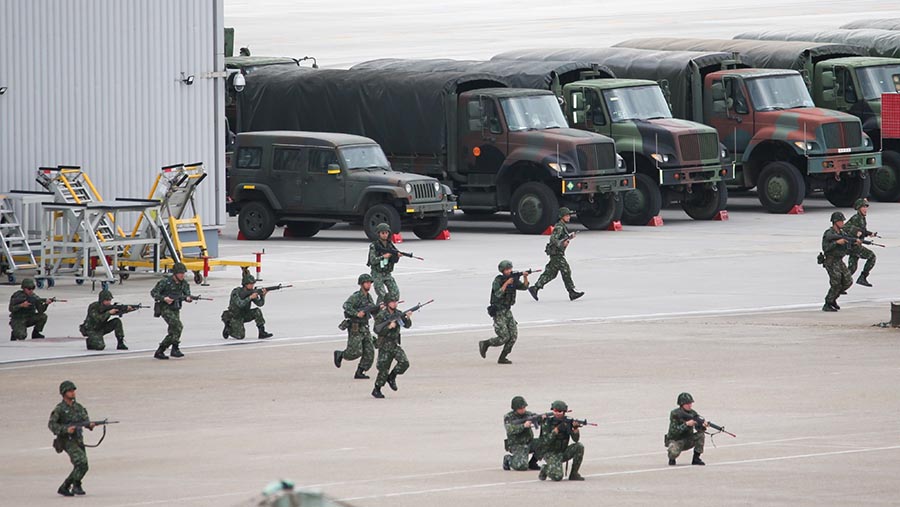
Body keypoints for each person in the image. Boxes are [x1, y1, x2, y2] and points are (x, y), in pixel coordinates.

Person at [48, 380, 93, 496]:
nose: (73, 393)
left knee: (84, 465)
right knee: (81, 462)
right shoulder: (59, 409)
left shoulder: (78, 407)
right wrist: (65, 430)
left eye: (73, 390)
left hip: (78, 439)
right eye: (70, 391)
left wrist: (90, 425)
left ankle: (74, 485)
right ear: (64, 393)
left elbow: (85, 420)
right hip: (67, 441)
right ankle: (68, 485)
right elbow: (52, 425)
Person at [479, 260, 529, 364]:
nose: (509, 271)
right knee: (504, 337)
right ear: (502, 270)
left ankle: (503, 357)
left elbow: (524, 287)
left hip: (507, 310)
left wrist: (525, 277)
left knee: (513, 336)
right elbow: (497, 294)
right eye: (507, 269)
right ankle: (486, 343)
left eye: (510, 269)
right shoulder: (498, 280)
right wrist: (506, 283)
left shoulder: (513, 279)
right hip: (498, 311)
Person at [529, 208, 584, 302]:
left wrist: (569, 238)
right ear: (562, 217)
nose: (569, 217)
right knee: (566, 270)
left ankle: (535, 288)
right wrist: (562, 244)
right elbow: (553, 240)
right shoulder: (559, 227)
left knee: (550, 273)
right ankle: (571, 292)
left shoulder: (562, 226)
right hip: (556, 254)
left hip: (557, 253)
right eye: (567, 215)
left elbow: (561, 239)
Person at [334, 274, 379, 379]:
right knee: (355, 352)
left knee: (369, 351)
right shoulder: (356, 296)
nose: (369, 285)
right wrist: (356, 313)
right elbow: (346, 305)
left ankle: (360, 371)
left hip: (365, 326)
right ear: (361, 284)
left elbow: (372, 309)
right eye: (366, 283)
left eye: (370, 283)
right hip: (355, 327)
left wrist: (378, 308)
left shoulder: (369, 297)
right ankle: (341, 354)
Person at [371, 293, 411, 399]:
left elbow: (407, 325)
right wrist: (389, 327)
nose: (394, 304)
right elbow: (377, 330)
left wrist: (407, 318)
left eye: (396, 302)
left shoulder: (398, 313)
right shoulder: (381, 315)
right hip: (384, 345)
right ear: (388, 303)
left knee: (404, 362)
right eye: (392, 302)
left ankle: (392, 377)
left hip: (394, 344)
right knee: (383, 369)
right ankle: (377, 389)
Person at [150, 262, 192, 359]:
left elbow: (187, 294)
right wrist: (164, 298)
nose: (182, 275)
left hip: (175, 308)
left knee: (174, 330)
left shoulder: (184, 284)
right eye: (180, 273)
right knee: (178, 326)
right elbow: (153, 293)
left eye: (183, 273)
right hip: (165, 308)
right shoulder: (165, 282)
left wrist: (188, 298)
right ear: (175, 273)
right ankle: (169, 348)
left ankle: (167, 350)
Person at [538, 400, 584, 481]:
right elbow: (545, 441)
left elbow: (575, 439)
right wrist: (556, 430)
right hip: (550, 453)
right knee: (557, 476)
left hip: (562, 451)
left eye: (559, 411)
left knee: (579, 446)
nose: (556, 413)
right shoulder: (547, 422)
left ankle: (574, 474)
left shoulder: (567, 422)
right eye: (555, 411)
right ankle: (545, 469)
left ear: (564, 412)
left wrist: (575, 429)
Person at [222, 269, 273, 340]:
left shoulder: (251, 292)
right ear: (245, 284)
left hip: (245, 314)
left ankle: (262, 332)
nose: (252, 286)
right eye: (250, 284)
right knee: (240, 336)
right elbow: (240, 304)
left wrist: (263, 296)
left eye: (253, 284)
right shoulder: (236, 292)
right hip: (234, 316)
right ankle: (228, 328)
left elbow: (260, 304)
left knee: (257, 311)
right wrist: (250, 298)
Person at [821, 212, 856, 312]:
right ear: (835, 222)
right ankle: (828, 303)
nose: (842, 223)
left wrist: (854, 243)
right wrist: (836, 243)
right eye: (840, 221)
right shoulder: (829, 233)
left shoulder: (842, 234)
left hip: (839, 260)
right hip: (831, 261)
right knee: (836, 283)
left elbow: (848, 248)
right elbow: (825, 248)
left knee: (848, 281)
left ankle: (833, 299)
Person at [666, 392, 707, 466]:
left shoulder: (693, 413)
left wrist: (703, 425)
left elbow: (699, 429)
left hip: (688, 439)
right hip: (676, 440)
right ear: (681, 404)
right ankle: (672, 459)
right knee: (673, 452)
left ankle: (696, 458)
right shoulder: (675, 414)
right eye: (687, 404)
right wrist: (686, 424)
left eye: (690, 403)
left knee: (701, 435)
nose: (690, 405)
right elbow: (674, 431)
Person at [502, 396, 542, 471]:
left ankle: (533, 463)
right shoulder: (508, 417)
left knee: (544, 443)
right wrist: (523, 426)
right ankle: (508, 459)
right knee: (521, 466)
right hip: (517, 445)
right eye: (521, 408)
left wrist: (541, 418)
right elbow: (510, 429)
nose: (523, 410)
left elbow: (538, 419)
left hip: (529, 442)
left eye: (524, 407)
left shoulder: (528, 414)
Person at [843, 198, 877, 287]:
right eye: (863, 207)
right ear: (858, 208)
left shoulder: (862, 218)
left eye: (866, 207)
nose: (865, 209)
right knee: (871, 256)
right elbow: (844, 228)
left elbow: (862, 231)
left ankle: (840, 285)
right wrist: (855, 232)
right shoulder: (856, 218)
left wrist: (870, 233)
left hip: (855, 245)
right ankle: (863, 277)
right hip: (854, 245)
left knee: (852, 268)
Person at [367, 223, 400, 304]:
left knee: (395, 294)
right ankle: (379, 311)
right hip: (377, 273)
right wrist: (383, 257)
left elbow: (394, 259)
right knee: (382, 295)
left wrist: (397, 255)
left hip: (387, 273)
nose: (385, 235)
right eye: (383, 233)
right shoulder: (374, 246)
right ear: (379, 234)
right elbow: (372, 260)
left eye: (386, 233)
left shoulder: (390, 245)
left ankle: (389, 310)